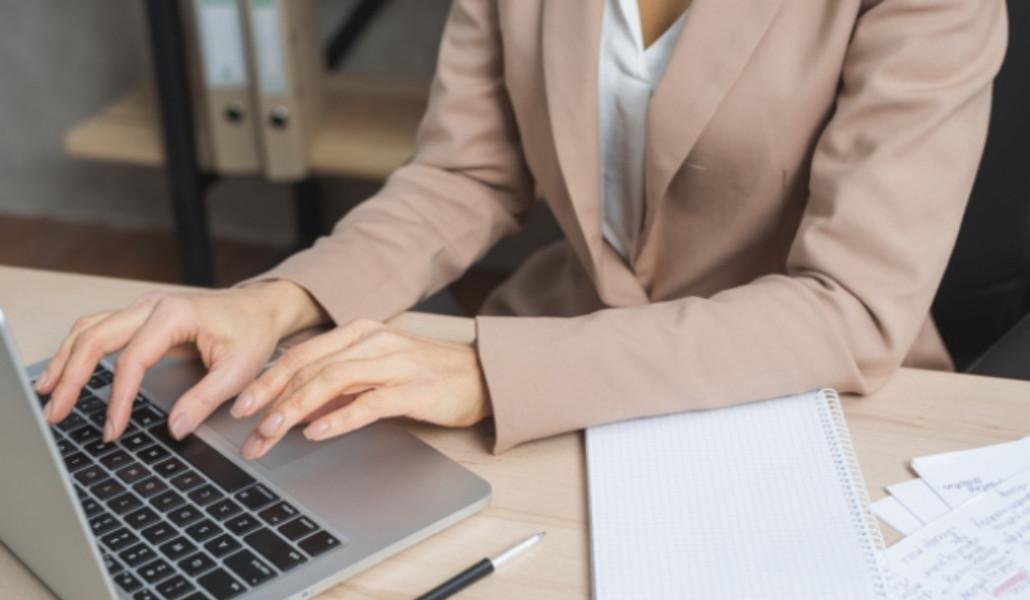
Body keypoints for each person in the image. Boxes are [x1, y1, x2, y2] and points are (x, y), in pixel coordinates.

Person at [38, 0, 1007, 457]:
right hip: (551, 367)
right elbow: (467, 171)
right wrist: (276, 299)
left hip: (801, 402)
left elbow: (849, 308)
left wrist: (486, 374)